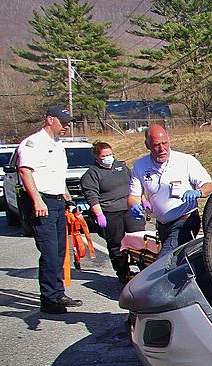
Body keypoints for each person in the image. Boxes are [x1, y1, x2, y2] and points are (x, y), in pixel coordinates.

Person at [16, 105, 82, 314]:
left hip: (56, 201)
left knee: (60, 251)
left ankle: (57, 293)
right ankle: (50, 299)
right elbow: (25, 172)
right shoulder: (34, 143)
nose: (66, 126)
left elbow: (56, 176)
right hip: (41, 202)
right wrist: (37, 200)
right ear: (50, 120)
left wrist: (67, 197)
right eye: (62, 122)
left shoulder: (57, 144)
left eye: (67, 122)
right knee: (50, 252)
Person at [127, 124, 212, 256]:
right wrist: (134, 206)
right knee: (179, 262)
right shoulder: (140, 165)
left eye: (165, 143)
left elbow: (209, 185)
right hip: (162, 224)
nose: (162, 149)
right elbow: (133, 196)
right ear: (147, 145)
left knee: (165, 262)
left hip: (184, 221)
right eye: (156, 145)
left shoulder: (186, 161)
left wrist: (199, 192)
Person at [80, 142, 144, 282]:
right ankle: (123, 273)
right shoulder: (92, 174)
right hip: (110, 212)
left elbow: (135, 185)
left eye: (110, 154)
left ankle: (144, 269)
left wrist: (143, 200)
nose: (108, 158)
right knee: (117, 243)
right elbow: (91, 195)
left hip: (129, 209)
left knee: (139, 239)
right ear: (97, 157)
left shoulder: (121, 167)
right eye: (104, 156)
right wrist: (99, 214)